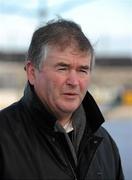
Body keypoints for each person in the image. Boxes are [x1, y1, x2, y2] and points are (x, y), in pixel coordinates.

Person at [0, 18, 124, 180]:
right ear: (32, 72)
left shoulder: (104, 144)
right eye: (62, 68)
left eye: (82, 70)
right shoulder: (4, 137)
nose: (73, 81)